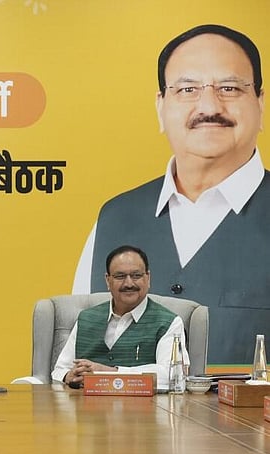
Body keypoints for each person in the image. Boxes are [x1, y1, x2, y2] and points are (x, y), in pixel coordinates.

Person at [73, 24, 266, 367]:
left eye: (229, 87)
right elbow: (78, 356)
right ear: (161, 107)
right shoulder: (115, 217)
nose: (209, 105)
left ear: (260, 104)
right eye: (187, 88)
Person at [57, 245, 188, 389]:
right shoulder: (86, 318)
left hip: (145, 408)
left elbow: (172, 375)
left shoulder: (169, 322)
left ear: (148, 278)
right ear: (108, 280)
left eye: (136, 275)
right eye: (120, 276)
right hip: (86, 407)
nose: (129, 283)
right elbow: (59, 370)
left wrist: (108, 372)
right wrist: (68, 376)